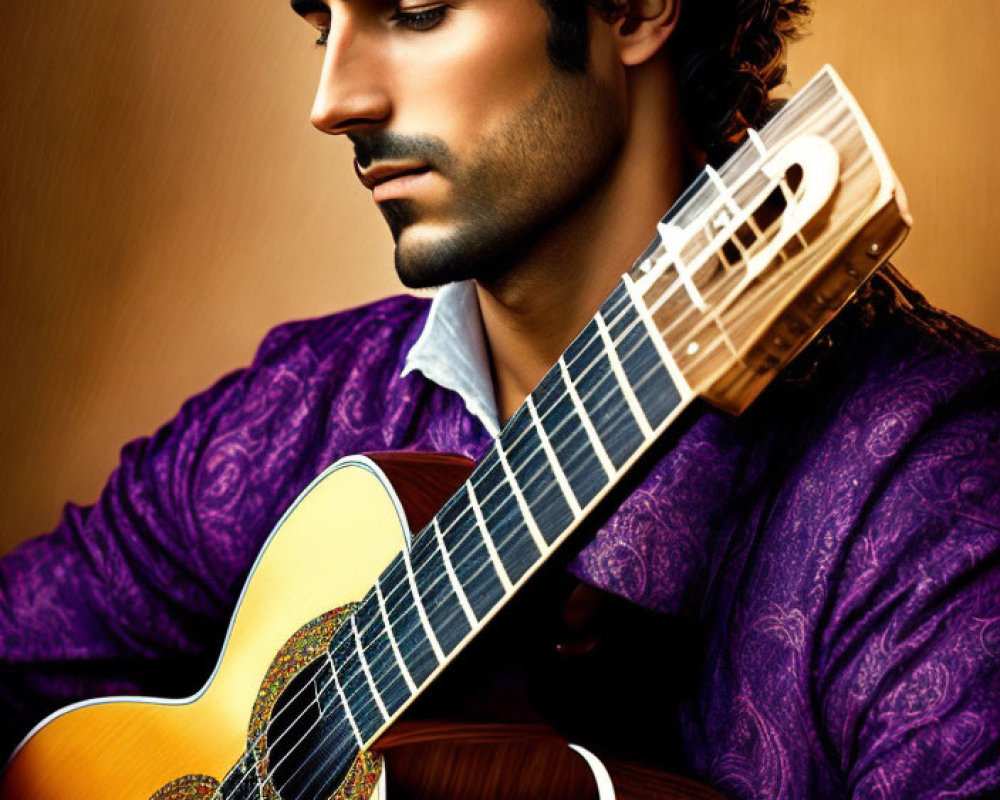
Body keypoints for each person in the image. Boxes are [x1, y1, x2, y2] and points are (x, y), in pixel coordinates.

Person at [1, 0, 998, 797]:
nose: (332, 98)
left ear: (638, 9)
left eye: (415, 9)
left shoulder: (936, 482)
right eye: (320, 23)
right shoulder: (301, 409)